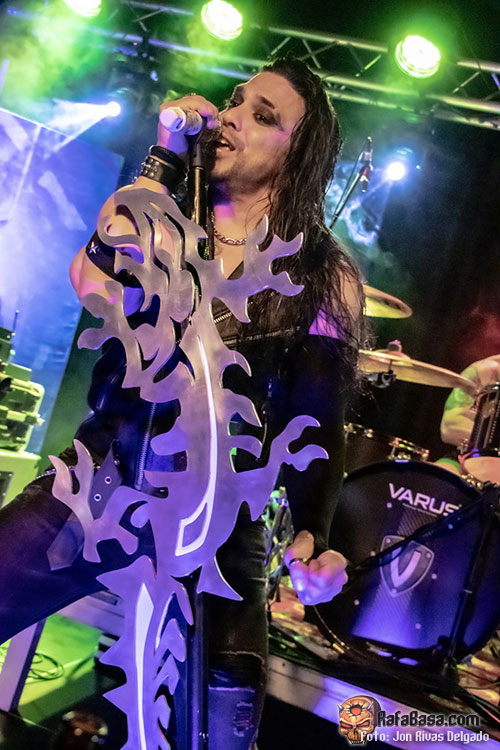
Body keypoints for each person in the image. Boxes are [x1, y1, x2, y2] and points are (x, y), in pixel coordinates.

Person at [0, 58, 366, 748]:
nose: (231, 117)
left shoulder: (323, 274)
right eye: (236, 101)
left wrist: (315, 539)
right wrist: (164, 153)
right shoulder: (163, 215)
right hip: (105, 479)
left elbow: (318, 419)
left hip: (219, 523)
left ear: (299, 157)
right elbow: (90, 281)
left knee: (221, 724)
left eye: (263, 115)